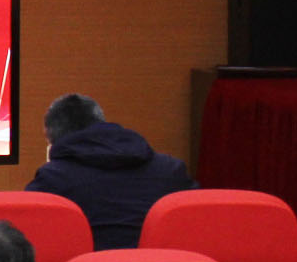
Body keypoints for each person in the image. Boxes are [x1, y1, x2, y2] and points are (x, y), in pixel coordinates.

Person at [24, 92, 194, 251]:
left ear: (52, 141)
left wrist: (53, 165)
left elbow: (26, 237)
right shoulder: (172, 170)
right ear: (100, 123)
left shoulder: (53, 179)